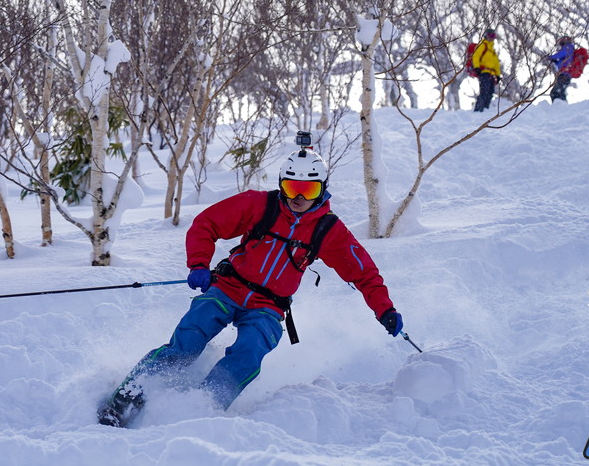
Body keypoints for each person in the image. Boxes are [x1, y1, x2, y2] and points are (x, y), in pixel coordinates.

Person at [98, 134, 402, 426]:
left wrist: (384, 310)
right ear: (281, 185)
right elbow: (206, 224)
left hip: (268, 306)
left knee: (250, 351)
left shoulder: (328, 230)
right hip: (227, 287)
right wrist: (199, 264)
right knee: (187, 343)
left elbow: (364, 272)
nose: (297, 196)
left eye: (307, 190)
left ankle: (202, 407)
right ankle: (127, 397)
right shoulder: (260, 205)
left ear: (322, 190)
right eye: (291, 186)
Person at [471, 29, 501, 112]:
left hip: (492, 74)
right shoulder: (483, 45)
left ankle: (485, 110)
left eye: (493, 36)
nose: (492, 38)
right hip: (484, 73)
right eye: (490, 35)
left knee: (490, 92)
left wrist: (498, 75)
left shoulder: (492, 50)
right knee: (484, 91)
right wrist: (477, 67)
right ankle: (478, 110)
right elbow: (476, 56)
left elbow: (496, 64)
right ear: (486, 35)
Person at [546, 36, 576, 102]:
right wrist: (555, 62)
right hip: (565, 74)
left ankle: (560, 107)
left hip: (565, 74)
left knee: (555, 92)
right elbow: (562, 61)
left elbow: (560, 54)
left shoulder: (568, 47)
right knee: (559, 92)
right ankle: (562, 106)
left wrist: (549, 57)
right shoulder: (569, 49)